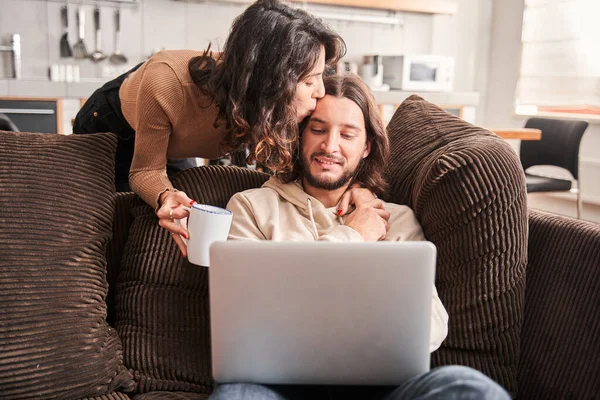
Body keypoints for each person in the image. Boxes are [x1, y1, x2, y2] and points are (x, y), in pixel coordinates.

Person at [212, 74, 511, 400]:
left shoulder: (395, 219)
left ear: (367, 147)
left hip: (377, 385)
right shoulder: (251, 208)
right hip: (273, 385)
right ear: (300, 135)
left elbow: (433, 325)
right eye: (318, 129)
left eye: (348, 134)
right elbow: (249, 323)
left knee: (466, 385)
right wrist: (352, 235)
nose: (330, 146)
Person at [72, 0, 346, 257]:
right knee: (110, 224)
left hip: (176, 137)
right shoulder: (168, 85)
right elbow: (146, 170)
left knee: (183, 212)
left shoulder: (283, 101)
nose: (320, 91)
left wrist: (355, 187)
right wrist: (163, 196)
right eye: (310, 81)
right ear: (270, 82)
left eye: (320, 76)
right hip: (114, 125)